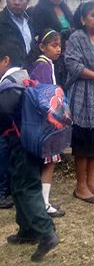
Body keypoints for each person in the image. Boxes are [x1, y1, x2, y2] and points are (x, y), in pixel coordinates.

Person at [0, 39, 60, 262]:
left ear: (5, 60)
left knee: (27, 186)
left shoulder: (12, 80)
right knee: (18, 185)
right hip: (30, 141)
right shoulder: (22, 76)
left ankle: (46, 232)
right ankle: (27, 231)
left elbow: (6, 109)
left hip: (23, 143)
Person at [64, 1, 94, 204]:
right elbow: (72, 64)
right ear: (83, 19)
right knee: (83, 141)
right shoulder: (77, 38)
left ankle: (92, 183)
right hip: (84, 97)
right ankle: (80, 186)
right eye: (93, 15)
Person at [0, 0, 35, 209]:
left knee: (15, 135)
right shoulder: (1, 22)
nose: (17, 1)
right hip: (4, 83)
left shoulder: (29, 22)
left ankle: (13, 185)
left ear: (27, 0)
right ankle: (2, 190)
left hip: (23, 82)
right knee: (2, 136)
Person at [29, 29, 66, 218]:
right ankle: (43, 203)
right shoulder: (44, 66)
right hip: (47, 123)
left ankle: (41, 201)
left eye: (59, 45)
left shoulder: (45, 64)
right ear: (42, 47)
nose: (58, 49)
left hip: (43, 122)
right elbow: (45, 95)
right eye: (54, 45)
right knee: (49, 162)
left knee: (46, 162)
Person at [31, 0, 73, 85]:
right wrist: (63, 35)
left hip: (68, 56)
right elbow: (40, 34)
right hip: (52, 58)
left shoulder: (65, 9)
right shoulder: (39, 10)